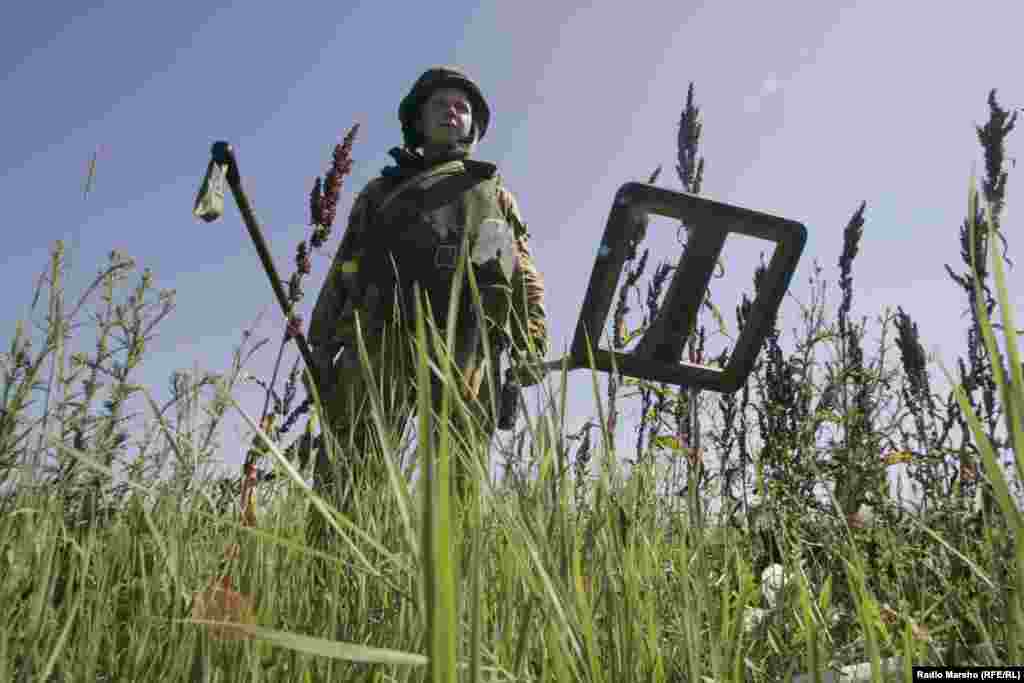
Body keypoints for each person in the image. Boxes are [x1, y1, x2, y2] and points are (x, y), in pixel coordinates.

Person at [307, 66, 549, 515]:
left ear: (473, 126)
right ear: (418, 120)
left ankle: (450, 578)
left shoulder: (492, 193)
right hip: (380, 338)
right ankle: (331, 575)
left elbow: (520, 271)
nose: (452, 113)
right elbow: (343, 268)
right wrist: (321, 345)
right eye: (441, 105)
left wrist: (532, 339)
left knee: (457, 476)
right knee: (351, 468)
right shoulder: (380, 193)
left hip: (465, 345)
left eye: (462, 108)